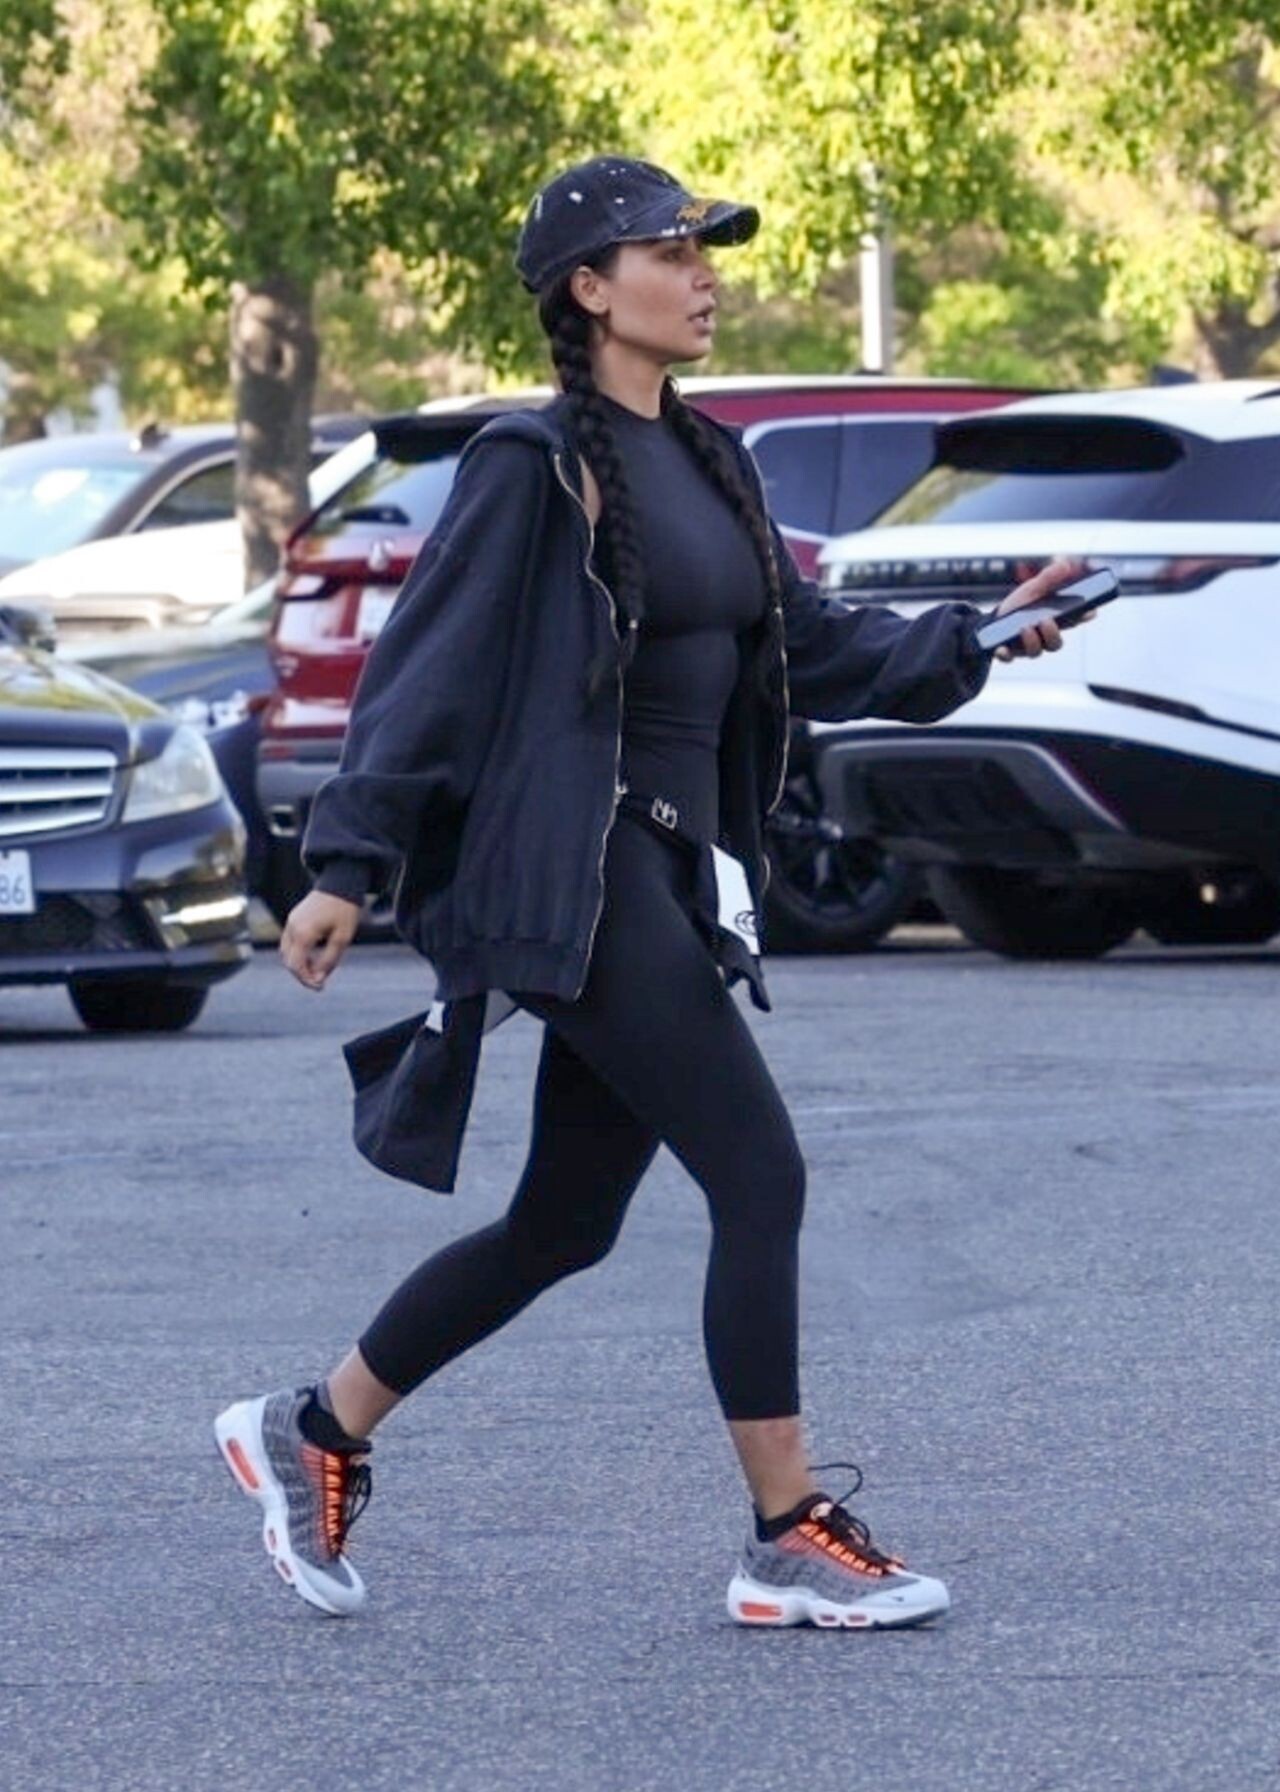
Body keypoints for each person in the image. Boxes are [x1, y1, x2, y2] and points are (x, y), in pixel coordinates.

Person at [215, 156, 1078, 1629]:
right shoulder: (531, 465)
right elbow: (427, 672)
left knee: (564, 1226)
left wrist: (976, 638)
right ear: (590, 289)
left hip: (678, 872)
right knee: (762, 1175)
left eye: (704, 249)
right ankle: (785, 1535)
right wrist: (345, 867)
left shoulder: (710, 459)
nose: (703, 274)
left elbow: (806, 642)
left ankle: (316, 1430)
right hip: (584, 871)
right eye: (671, 251)